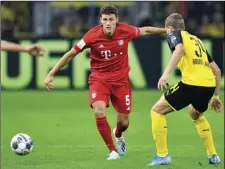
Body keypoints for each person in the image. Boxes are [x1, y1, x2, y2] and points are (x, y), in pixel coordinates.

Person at [44, 5, 166, 160]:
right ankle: (113, 151)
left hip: (121, 81)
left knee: (124, 123)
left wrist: (167, 31)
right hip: (99, 79)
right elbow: (70, 54)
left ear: (117, 20)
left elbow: (146, 30)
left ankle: (118, 135)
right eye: (105, 20)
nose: (108, 23)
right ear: (100, 20)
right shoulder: (91, 36)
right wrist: (51, 73)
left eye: (111, 20)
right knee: (99, 110)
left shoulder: (125, 30)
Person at [148, 13, 223, 166]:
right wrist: (216, 97)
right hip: (208, 86)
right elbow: (217, 71)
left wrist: (166, 74)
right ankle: (213, 155)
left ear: (169, 28)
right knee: (195, 114)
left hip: (191, 84)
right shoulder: (197, 40)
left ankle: (162, 155)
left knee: (156, 111)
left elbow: (179, 49)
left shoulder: (174, 34)